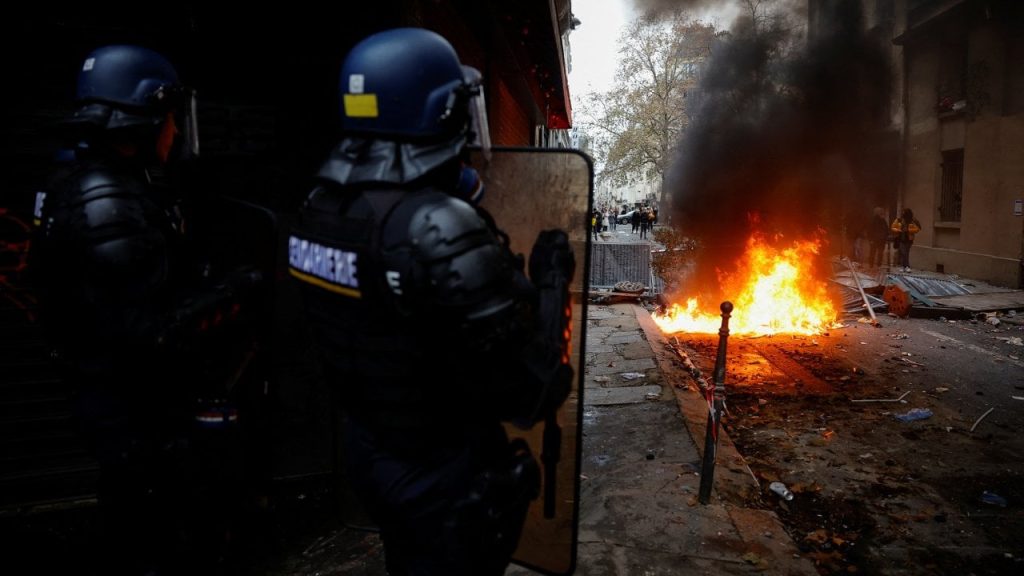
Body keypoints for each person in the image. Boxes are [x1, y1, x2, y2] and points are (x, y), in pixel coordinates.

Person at [288, 28, 574, 576]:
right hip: (442, 474)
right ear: (441, 113)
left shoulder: (321, 208)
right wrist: (551, 282)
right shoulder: (436, 228)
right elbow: (535, 391)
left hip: (371, 452)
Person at [29, 45, 265, 575]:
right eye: (171, 117)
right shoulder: (105, 201)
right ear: (147, 117)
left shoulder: (88, 181)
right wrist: (233, 293)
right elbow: (146, 333)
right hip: (133, 408)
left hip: (118, 400)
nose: (177, 132)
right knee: (157, 535)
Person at [891, 207, 921, 272]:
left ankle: (904, 266)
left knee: (906, 253)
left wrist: (909, 230)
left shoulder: (913, 220)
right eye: (903, 212)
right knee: (903, 253)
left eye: (905, 212)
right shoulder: (899, 220)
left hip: (909, 239)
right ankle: (906, 266)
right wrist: (899, 230)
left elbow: (918, 229)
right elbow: (893, 227)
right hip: (901, 239)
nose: (903, 213)